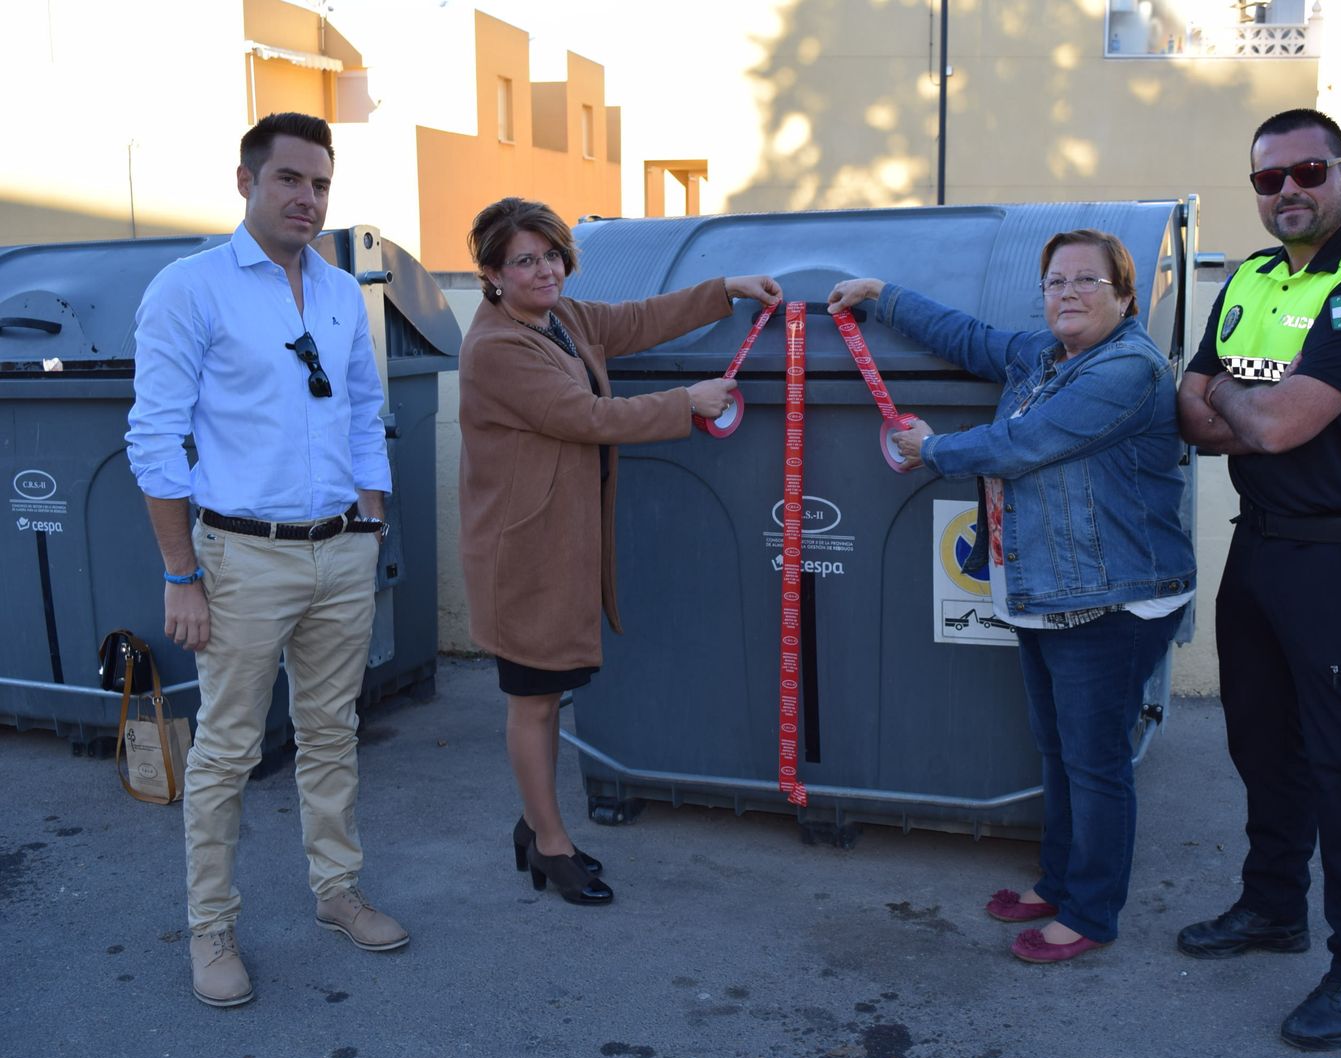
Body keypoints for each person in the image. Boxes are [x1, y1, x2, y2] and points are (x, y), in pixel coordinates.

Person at [827, 229, 1195, 965]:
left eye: (1087, 281)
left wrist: (927, 448)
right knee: (1060, 752)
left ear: (1125, 297)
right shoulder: (1047, 357)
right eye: (1056, 281)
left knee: (1095, 763)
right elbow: (973, 339)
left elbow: (1021, 444)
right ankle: (1059, 881)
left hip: (1115, 600)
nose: (1067, 293)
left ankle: (1091, 912)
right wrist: (882, 296)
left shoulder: (1126, 369)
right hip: (1047, 592)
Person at [126, 112, 407, 1008]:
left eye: (320, 183)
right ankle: (212, 929)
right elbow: (155, 438)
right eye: (289, 179)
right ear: (245, 181)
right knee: (227, 752)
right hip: (242, 559)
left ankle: (337, 892)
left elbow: (365, 407)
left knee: (333, 733)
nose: (308, 198)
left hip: (340, 553)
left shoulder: (333, 290)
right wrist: (182, 574)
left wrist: (372, 515)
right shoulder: (192, 288)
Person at [1175, 108, 1341, 1051]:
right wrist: (1256, 406)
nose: (1287, 189)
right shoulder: (1247, 279)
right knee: (1261, 748)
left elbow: (1270, 426)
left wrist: (1240, 406)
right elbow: (1190, 415)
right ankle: (1273, 907)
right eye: (1267, 178)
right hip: (1262, 550)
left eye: (1306, 170)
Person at [457, 197, 781, 907]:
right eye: (524, 260)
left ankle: (535, 823)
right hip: (523, 552)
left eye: (550, 255)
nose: (544, 269)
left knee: (550, 693)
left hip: (557, 540)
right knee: (534, 700)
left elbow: (632, 322)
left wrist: (723, 288)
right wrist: (686, 403)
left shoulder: (560, 319)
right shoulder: (497, 348)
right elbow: (587, 417)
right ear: (491, 274)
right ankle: (548, 844)